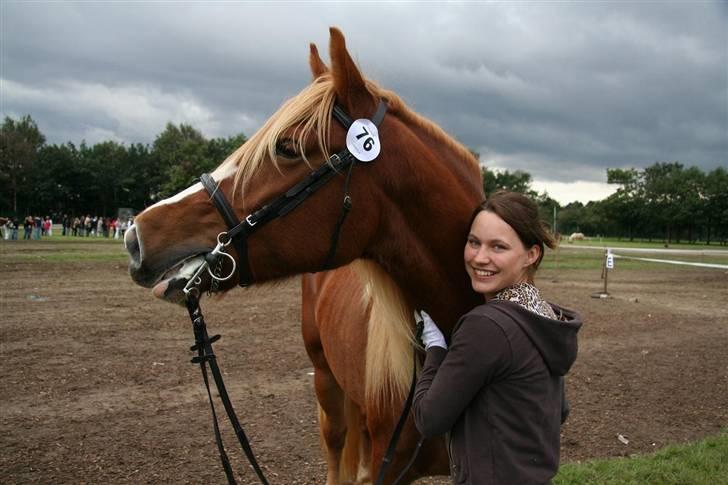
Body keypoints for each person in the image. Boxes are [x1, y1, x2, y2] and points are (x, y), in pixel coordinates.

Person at [413, 191, 582, 484]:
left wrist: (436, 349)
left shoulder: (486, 327)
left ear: (532, 254)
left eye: (498, 247)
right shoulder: (542, 314)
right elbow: (560, 410)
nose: (480, 257)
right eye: (474, 242)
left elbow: (429, 419)